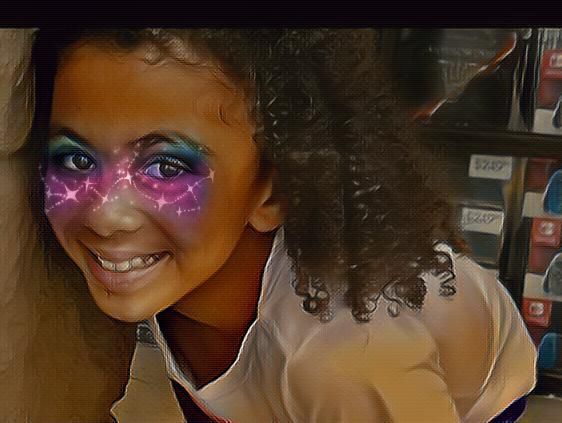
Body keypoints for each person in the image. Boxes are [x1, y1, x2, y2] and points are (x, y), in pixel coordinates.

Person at [8, 28, 537, 422]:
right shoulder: (184, 272)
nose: (104, 215)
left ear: (274, 190)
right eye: (77, 159)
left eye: (167, 168)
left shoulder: (344, 363)